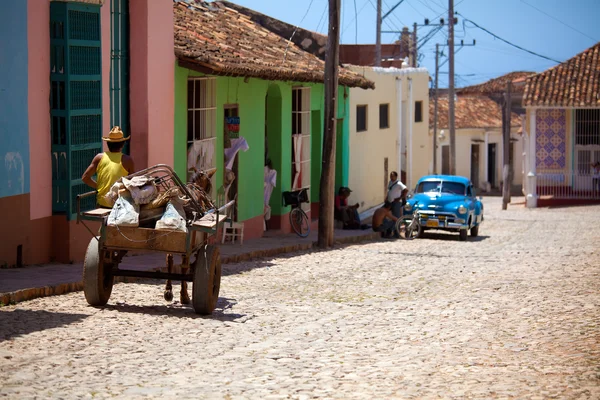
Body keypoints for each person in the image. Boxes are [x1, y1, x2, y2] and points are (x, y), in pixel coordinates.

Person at [82, 126, 135, 208]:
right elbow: (132, 183)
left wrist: (99, 187)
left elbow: (85, 177)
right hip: (120, 204)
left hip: (102, 203)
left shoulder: (99, 158)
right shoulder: (127, 160)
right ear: (123, 144)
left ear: (108, 143)